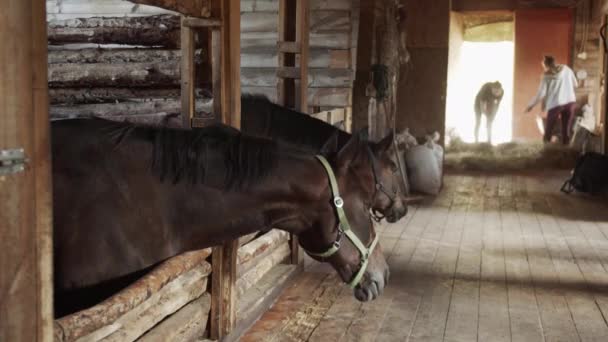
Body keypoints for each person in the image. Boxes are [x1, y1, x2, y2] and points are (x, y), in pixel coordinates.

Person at [525, 55, 578, 144]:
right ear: (554, 62)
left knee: (548, 131)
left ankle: (545, 151)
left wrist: (530, 105)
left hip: (556, 105)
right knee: (566, 131)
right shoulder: (566, 68)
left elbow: (541, 94)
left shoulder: (546, 76)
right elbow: (575, 84)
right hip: (570, 103)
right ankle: (566, 153)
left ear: (545, 65)